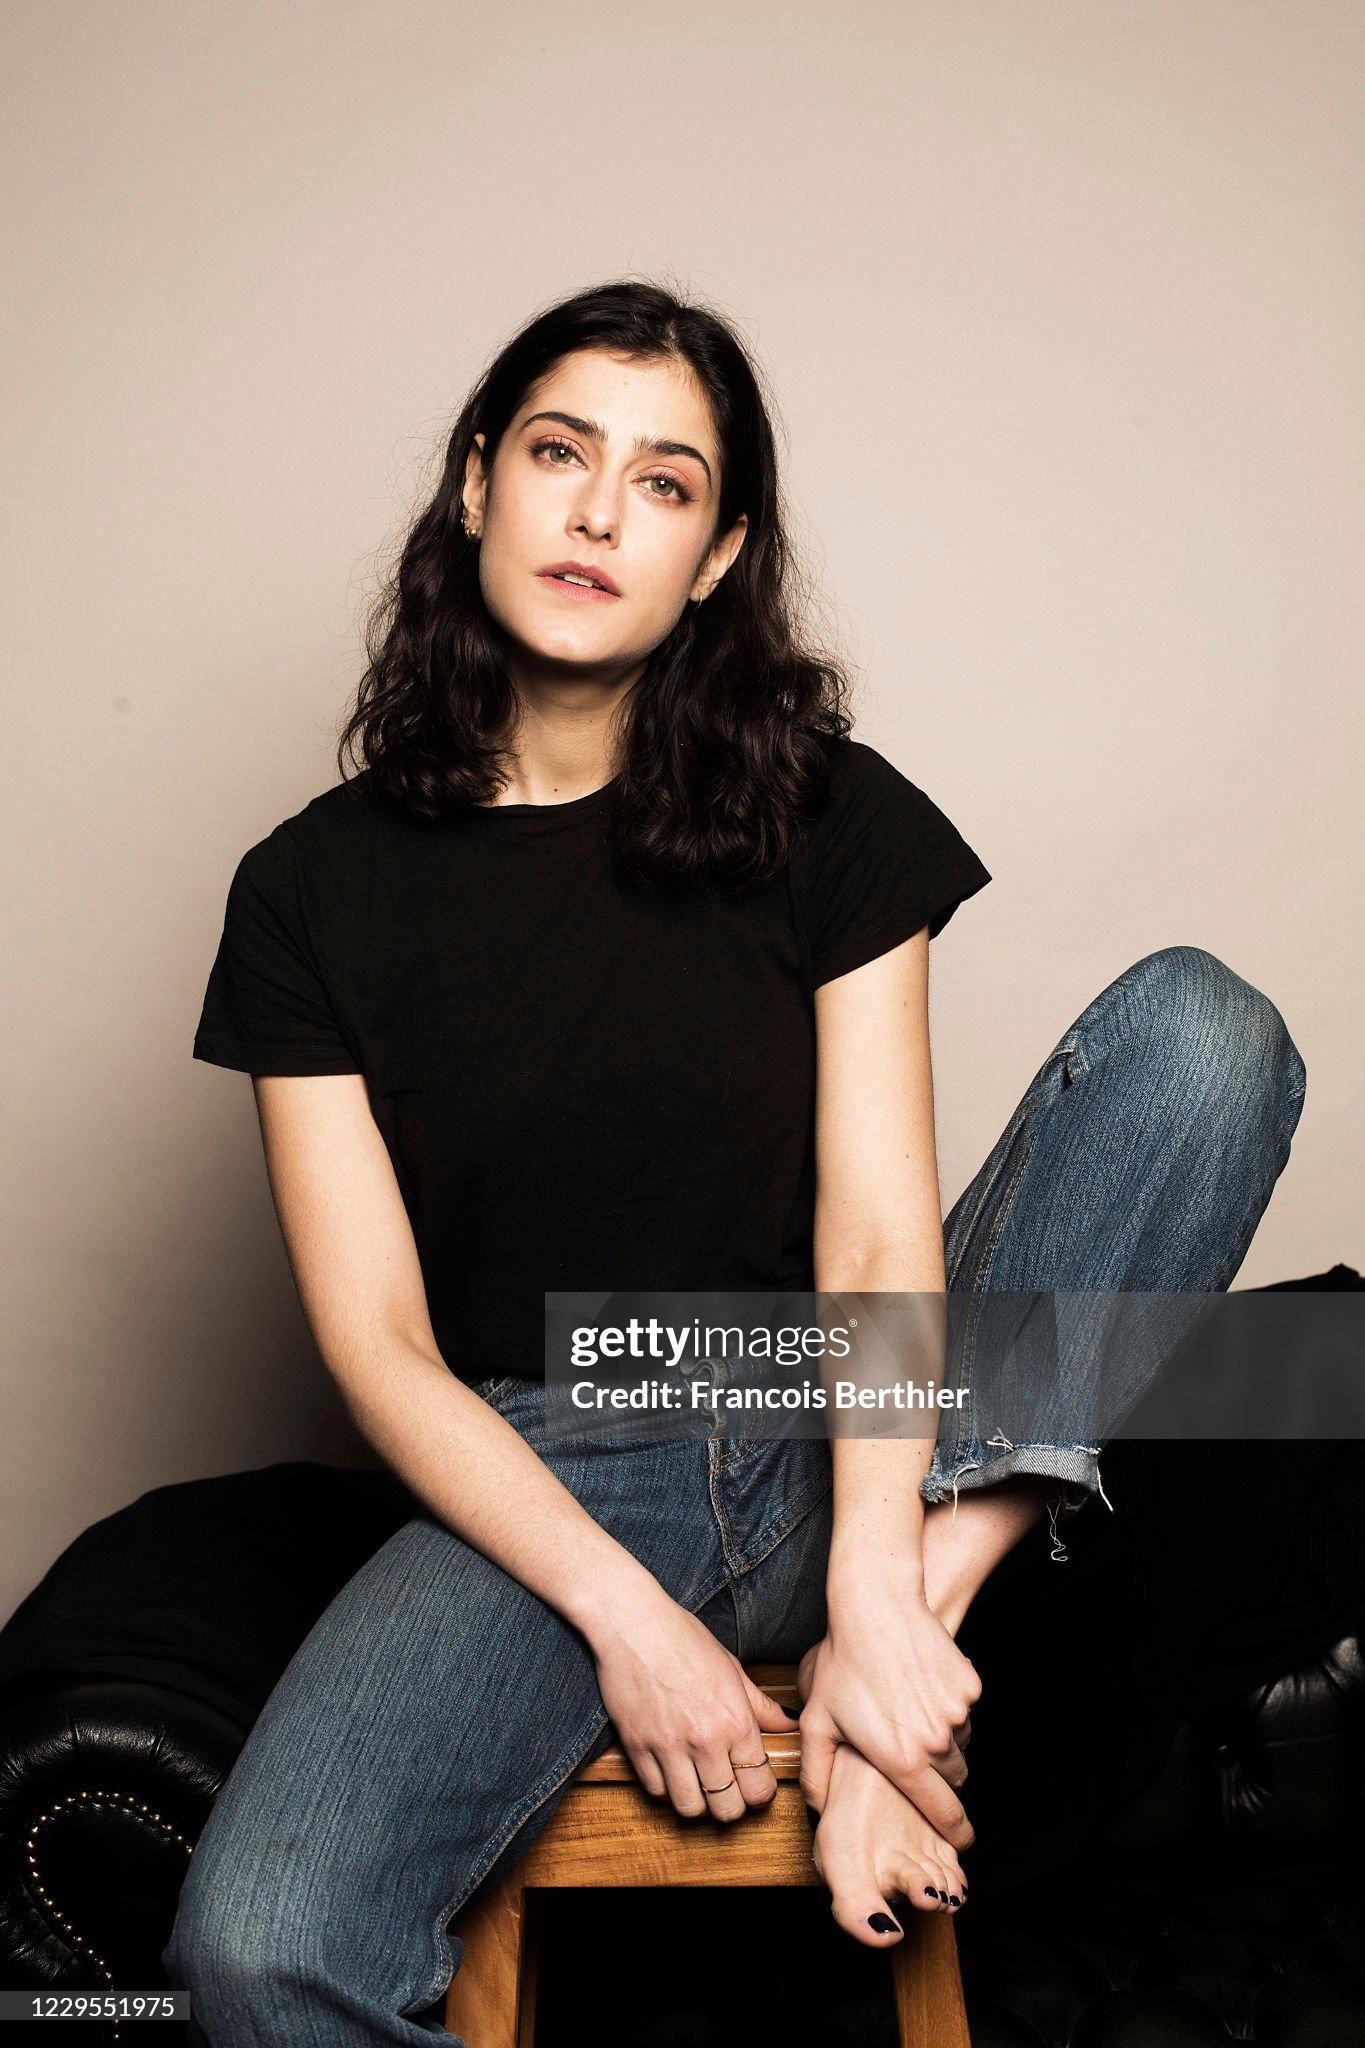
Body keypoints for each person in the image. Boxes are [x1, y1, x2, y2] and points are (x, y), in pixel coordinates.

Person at [163, 278, 1307, 2045]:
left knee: (1202, 1034)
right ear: (476, 483)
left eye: (664, 482)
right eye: (559, 454)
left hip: (843, 1406)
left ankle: (894, 1662)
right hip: (552, 1463)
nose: (598, 513)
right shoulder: (309, 891)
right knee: (258, 1941)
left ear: (715, 558)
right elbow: (378, 1346)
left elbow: (872, 1250)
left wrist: (872, 1591)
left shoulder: (825, 810)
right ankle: (882, 1671)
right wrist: (626, 1620)